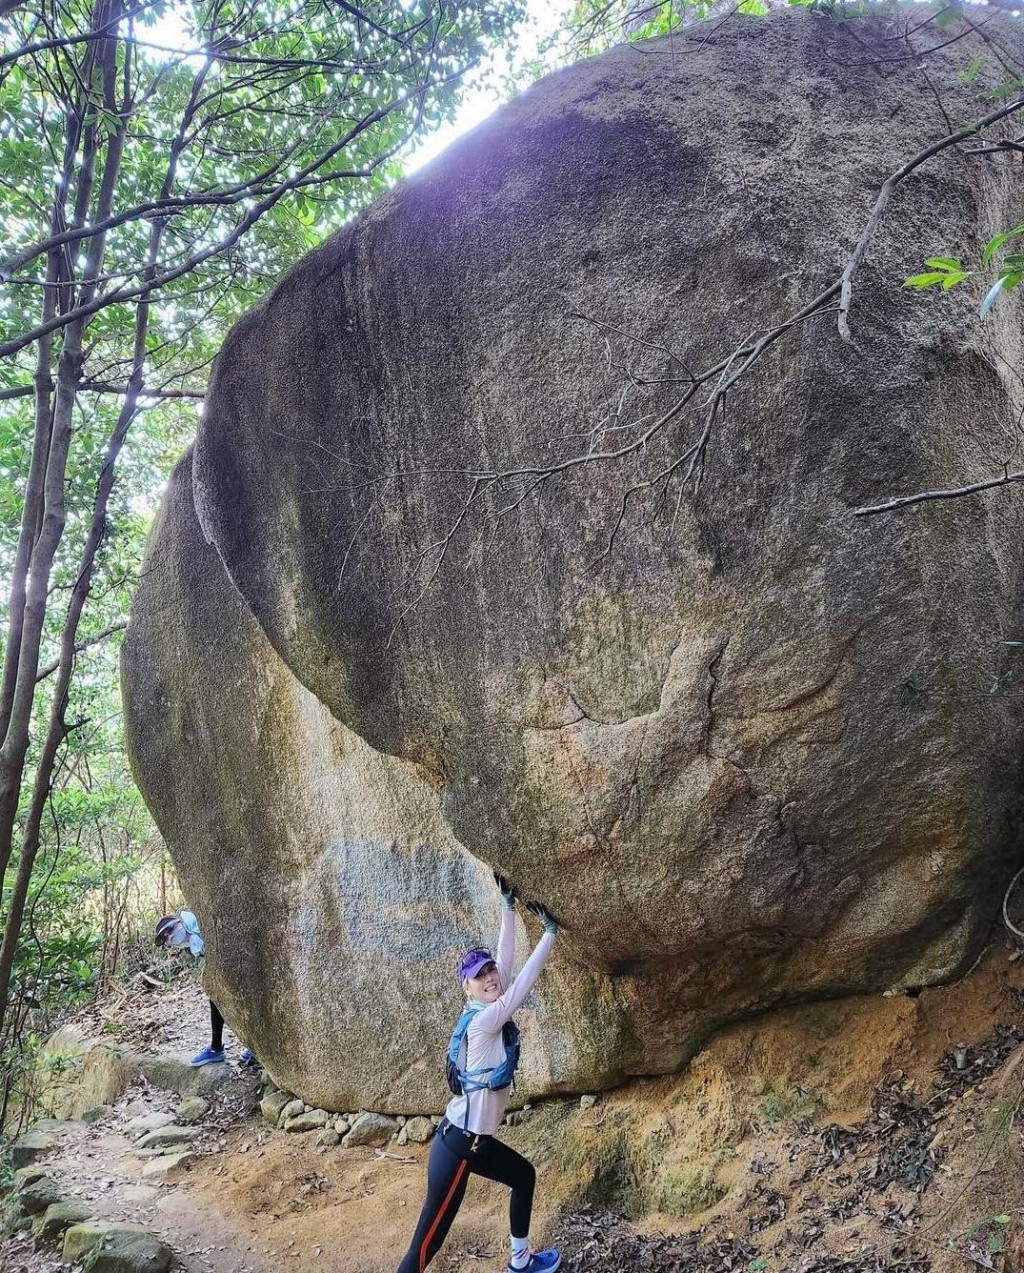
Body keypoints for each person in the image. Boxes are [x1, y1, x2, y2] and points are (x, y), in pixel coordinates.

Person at [396, 872, 561, 1273]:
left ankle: (521, 1263)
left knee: (523, 1177)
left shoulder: (485, 1005)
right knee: (426, 1246)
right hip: (458, 1147)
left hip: (475, 1144)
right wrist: (549, 934)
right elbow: (521, 982)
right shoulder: (484, 1022)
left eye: (489, 972)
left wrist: (508, 908)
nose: (489, 978)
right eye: (479, 976)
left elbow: (505, 968)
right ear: (466, 988)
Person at [154, 911, 255, 1068]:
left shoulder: (198, 922)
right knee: (216, 999)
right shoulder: (192, 941)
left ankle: (253, 1047)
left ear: (179, 923)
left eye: (169, 932)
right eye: (166, 938)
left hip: (245, 961)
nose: (169, 938)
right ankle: (218, 1048)